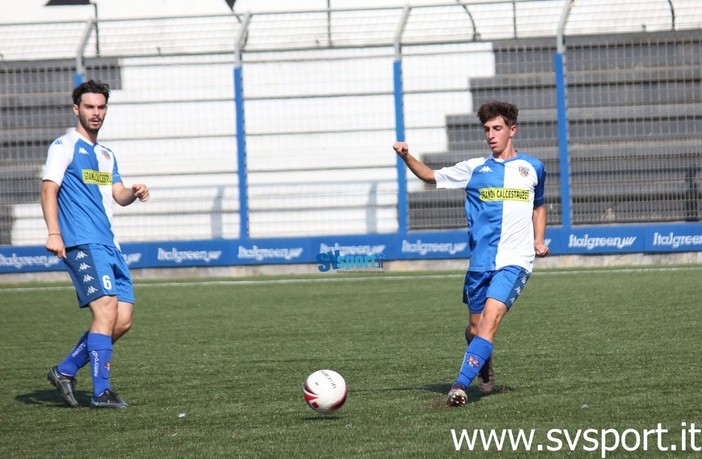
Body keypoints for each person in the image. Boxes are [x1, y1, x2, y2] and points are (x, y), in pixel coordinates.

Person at [393, 101, 548, 407]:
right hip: (480, 263)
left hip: (515, 262)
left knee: (489, 322)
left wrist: (539, 240)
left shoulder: (533, 168)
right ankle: (483, 358)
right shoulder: (474, 168)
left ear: (512, 130)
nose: (491, 135)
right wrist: (406, 156)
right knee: (476, 329)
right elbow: (430, 177)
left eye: (497, 128)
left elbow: (538, 204)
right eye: (487, 129)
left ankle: (459, 385)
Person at [41, 80, 150, 409]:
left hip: (110, 246)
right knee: (105, 311)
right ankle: (102, 392)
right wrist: (54, 232)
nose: (96, 113)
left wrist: (134, 191)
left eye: (101, 107)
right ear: (77, 109)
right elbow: (49, 189)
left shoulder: (105, 154)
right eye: (89, 107)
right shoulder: (64, 146)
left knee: (123, 319)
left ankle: (65, 371)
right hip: (82, 242)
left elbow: (117, 194)